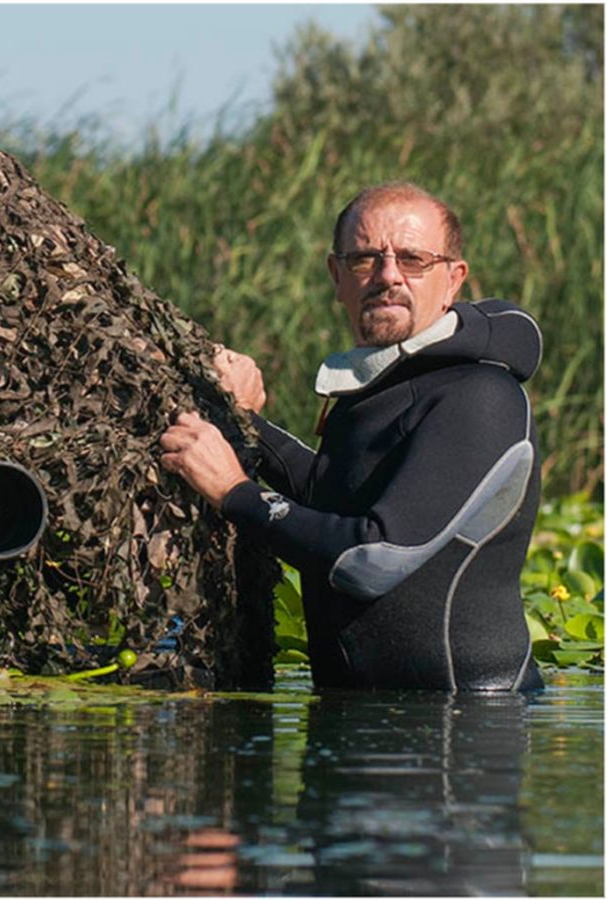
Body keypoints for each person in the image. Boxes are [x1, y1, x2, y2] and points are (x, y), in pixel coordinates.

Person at [159, 182, 544, 692]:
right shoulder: (382, 388)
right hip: (358, 723)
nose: (388, 276)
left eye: (413, 259)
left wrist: (235, 493)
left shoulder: (478, 395)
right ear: (336, 276)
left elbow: (373, 559)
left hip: (461, 729)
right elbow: (326, 499)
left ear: (453, 279)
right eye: (365, 259)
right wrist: (239, 419)